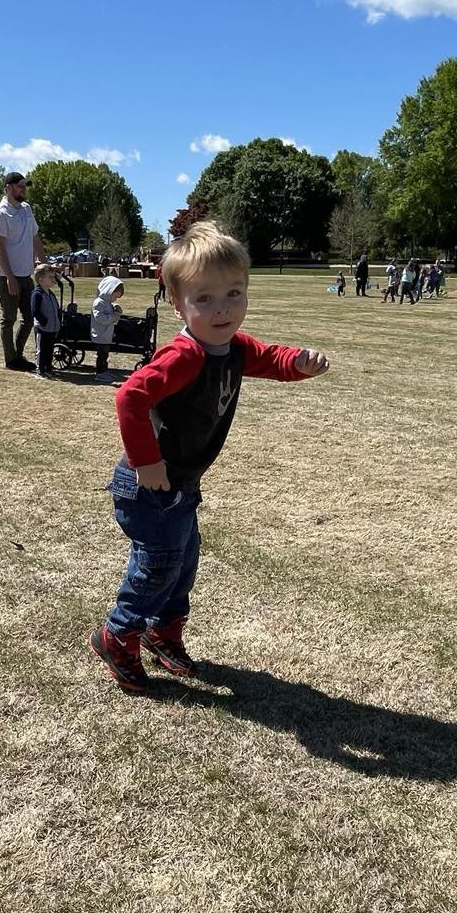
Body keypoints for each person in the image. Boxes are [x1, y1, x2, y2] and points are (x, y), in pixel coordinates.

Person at [90, 218, 330, 693]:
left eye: (234, 294)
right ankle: (118, 634)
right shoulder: (185, 356)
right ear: (178, 304)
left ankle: (163, 633)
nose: (222, 309)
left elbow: (270, 357)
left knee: (182, 564)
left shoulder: (232, 347)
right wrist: (147, 462)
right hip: (149, 483)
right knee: (157, 564)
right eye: (205, 299)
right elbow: (130, 398)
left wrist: (298, 364)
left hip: (182, 483)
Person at [0, 170, 42, 371]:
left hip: (25, 274)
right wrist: (9, 278)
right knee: (8, 319)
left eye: (25, 186)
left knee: (29, 318)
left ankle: (19, 355)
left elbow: (35, 238)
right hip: (5, 276)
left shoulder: (26, 209)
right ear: (8, 188)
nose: (23, 190)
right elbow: (0, 250)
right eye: (20, 186)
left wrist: (44, 266)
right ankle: (11, 360)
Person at [29, 264, 64, 380]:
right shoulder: (37, 294)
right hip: (42, 328)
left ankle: (48, 368)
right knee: (41, 350)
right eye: (50, 277)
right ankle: (40, 369)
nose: (52, 279)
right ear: (41, 279)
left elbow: (56, 308)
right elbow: (35, 311)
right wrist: (43, 322)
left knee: (49, 349)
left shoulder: (50, 294)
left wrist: (57, 321)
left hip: (52, 328)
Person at [91, 273, 124, 374]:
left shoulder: (108, 303)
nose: (115, 299)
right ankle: (100, 373)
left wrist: (116, 309)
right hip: (100, 335)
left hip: (106, 335)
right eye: (115, 296)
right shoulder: (99, 303)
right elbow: (101, 319)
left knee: (105, 355)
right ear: (108, 291)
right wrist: (115, 316)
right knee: (102, 355)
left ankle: (104, 370)